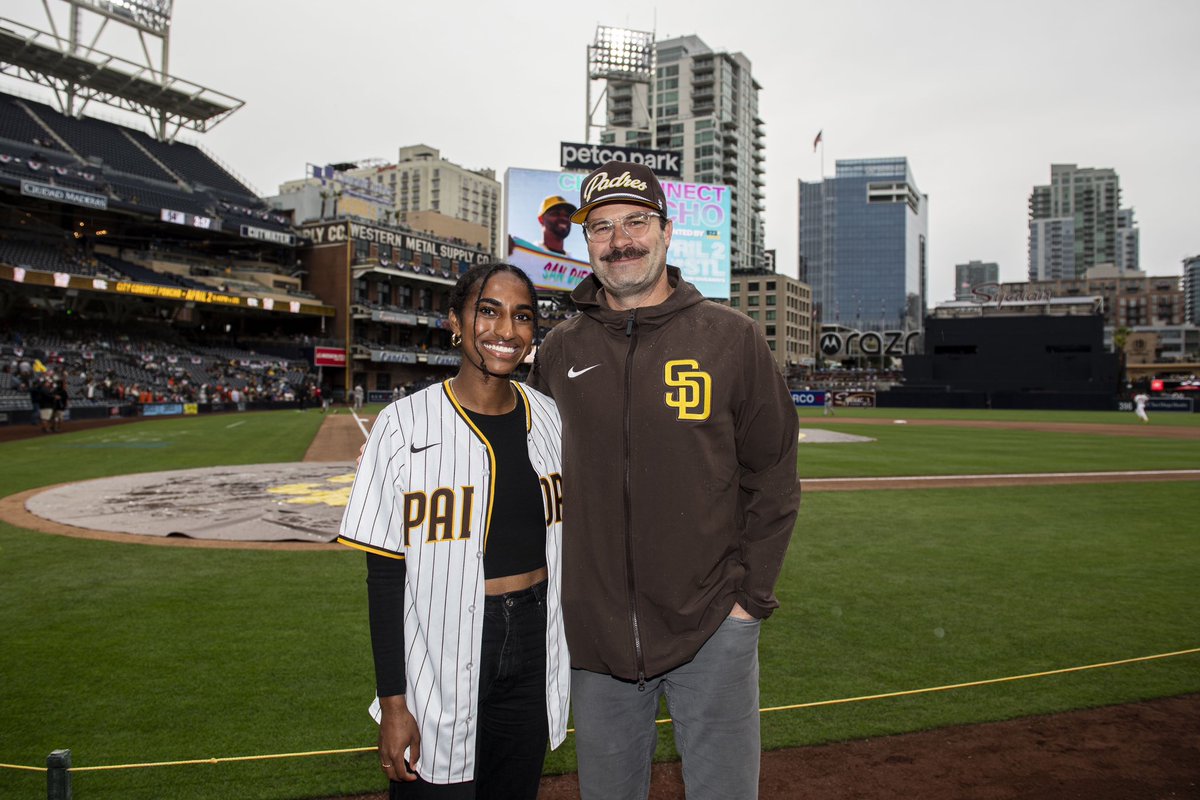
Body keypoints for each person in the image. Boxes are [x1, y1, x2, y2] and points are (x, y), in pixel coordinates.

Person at [528, 162, 801, 800]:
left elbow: (775, 476)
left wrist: (747, 602)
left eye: (635, 222)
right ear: (586, 243)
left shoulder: (732, 338)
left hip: (713, 626)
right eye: (602, 227)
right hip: (595, 640)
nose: (620, 239)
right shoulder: (561, 349)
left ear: (668, 231)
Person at [339, 262, 570, 799]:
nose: (505, 330)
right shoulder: (402, 424)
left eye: (522, 316)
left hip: (537, 636)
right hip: (441, 646)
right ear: (455, 322)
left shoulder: (552, 419)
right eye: (487, 311)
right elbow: (383, 577)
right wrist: (393, 703)